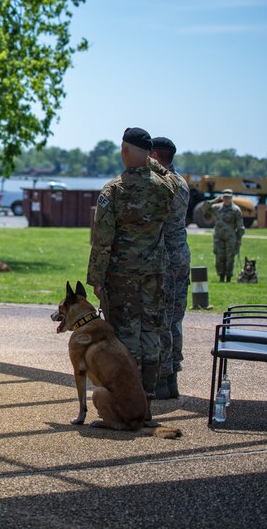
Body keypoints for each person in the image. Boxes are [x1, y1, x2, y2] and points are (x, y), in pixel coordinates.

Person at [87, 127, 175, 422]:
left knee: (124, 340)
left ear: (124, 150)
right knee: (151, 334)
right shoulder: (166, 186)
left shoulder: (113, 191)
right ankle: (146, 401)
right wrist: (148, 159)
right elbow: (167, 173)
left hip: (121, 277)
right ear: (149, 154)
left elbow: (102, 241)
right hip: (153, 276)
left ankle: (127, 401)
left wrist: (96, 280)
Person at [149, 137, 190, 399]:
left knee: (161, 319)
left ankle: (162, 380)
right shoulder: (182, 182)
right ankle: (172, 375)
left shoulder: (162, 183)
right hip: (180, 255)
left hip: (164, 257)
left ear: (153, 154)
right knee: (175, 319)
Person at [209, 189, 244, 283]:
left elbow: (240, 226)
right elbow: (204, 208)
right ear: (222, 198)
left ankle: (228, 278)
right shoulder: (217, 207)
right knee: (219, 258)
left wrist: (239, 239)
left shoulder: (236, 210)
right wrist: (214, 200)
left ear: (231, 198)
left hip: (231, 238)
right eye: (225, 197)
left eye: (228, 197)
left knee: (229, 258)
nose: (226, 199)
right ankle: (221, 277)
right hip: (218, 237)